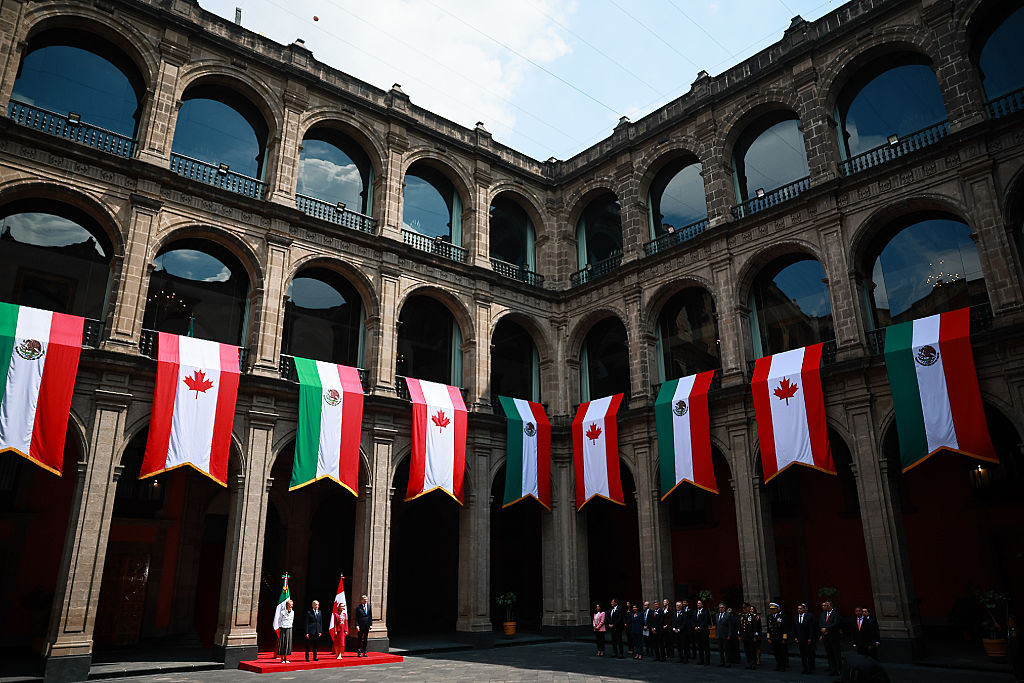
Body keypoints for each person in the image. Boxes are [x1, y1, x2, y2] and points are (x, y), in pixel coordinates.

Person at [793, 602, 817, 674]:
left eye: (800, 608)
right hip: (800, 639)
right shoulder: (795, 618)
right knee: (802, 655)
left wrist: (810, 638)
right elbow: (794, 629)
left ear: (804, 609)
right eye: (798, 609)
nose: (799, 610)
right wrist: (795, 637)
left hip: (807, 639)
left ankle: (809, 668)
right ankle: (804, 667)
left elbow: (811, 628)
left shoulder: (808, 617)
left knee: (809, 654)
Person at [820, 600, 842, 676]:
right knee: (829, 654)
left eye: (826, 605)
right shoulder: (823, 614)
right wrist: (823, 631)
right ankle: (832, 668)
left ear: (830, 606)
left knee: (836, 653)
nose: (825, 607)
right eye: (824, 605)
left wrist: (827, 629)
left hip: (833, 637)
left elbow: (835, 624)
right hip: (825, 637)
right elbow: (821, 623)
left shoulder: (835, 614)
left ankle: (839, 669)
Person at [766, 601, 790, 672]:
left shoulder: (782, 616)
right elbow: (768, 628)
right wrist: (768, 637)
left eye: (773, 609)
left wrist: (784, 638)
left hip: (780, 637)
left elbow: (785, 628)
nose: (772, 610)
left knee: (782, 652)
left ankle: (783, 666)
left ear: (777, 609)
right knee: (776, 652)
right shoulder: (769, 617)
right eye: (771, 609)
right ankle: (778, 665)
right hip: (773, 637)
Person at [741, 604, 761, 670]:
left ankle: (753, 664)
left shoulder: (752, 617)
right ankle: (748, 663)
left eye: (745, 608)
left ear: (748, 608)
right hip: (745, 637)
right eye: (743, 608)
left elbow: (755, 628)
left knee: (752, 651)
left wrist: (755, 636)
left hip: (751, 637)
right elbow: (741, 628)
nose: (744, 609)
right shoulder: (742, 617)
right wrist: (740, 635)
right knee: (747, 651)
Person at [693, 599, 712, 665]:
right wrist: (695, 626)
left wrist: (699, 627)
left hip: (704, 632)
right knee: (700, 647)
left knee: (706, 647)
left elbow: (706, 621)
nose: (698, 604)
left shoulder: (705, 611)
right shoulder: (695, 612)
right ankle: (701, 660)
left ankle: (707, 661)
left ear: (702, 604)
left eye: (699, 603)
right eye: (697, 603)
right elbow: (693, 620)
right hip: (697, 632)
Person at [714, 602, 733, 667]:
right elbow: (716, 625)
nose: (721, 609)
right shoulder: (716, 615)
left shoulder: (728, 615)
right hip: (719, 635)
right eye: (720, 608)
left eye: (722, 608)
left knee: (727, 650)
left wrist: (729, 635)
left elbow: (730, 626)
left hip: (725, 635)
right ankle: (722, 662)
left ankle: (728, 662)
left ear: (725, 608)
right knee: (720, 650)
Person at [277, 598, 295, 664]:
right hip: (283, 628)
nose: (291, 606)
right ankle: (282, 659)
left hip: (289, 627)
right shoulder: (282, 612)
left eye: (292, 604)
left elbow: (292, 620)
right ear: (287, 605)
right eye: (290, 604)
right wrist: (280, 627)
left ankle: (286, 658)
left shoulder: (293, 612)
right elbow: (279, 620)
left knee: (288, 643)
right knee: (283, 643)